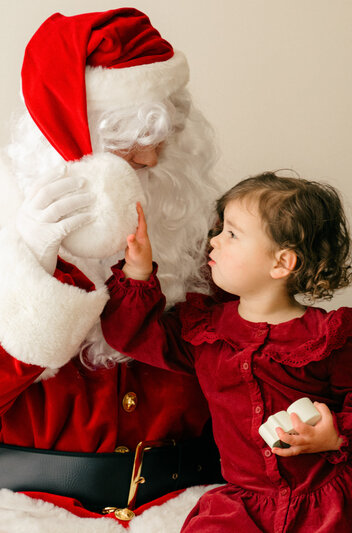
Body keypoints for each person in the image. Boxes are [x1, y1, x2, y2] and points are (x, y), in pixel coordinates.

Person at [0, 8, 225, 533]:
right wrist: (32, 276)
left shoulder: (211, 243)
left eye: (163, 138)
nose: (149, 160)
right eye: (126, 148)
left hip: (194, 508)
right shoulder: (10, 246)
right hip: (33, 510)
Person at [101, 172, 352, 532]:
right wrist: (137, 269)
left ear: (281, 263)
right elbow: (132, 336)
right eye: (220, 230)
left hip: (325, 500)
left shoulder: (328, 336)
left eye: (232, 234)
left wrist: (334, 434)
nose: (214, 242)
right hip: (243, 504)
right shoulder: (205, 331)